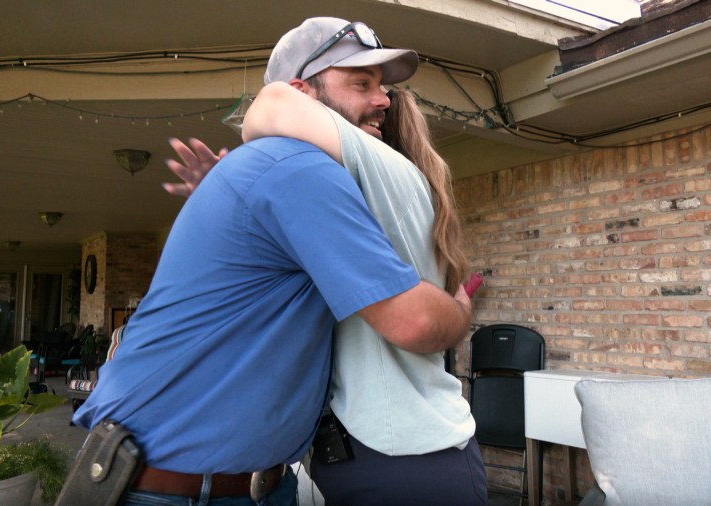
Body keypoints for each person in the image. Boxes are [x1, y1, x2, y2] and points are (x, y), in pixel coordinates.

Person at [72, 16, 473, 506]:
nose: (384, 100)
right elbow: (414, 323)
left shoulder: (284, 172)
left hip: (236, 485)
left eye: (383, 86)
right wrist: (461, 306)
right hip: (178, 492)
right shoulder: (295, 169)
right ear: (302, 91)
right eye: (361, 83)